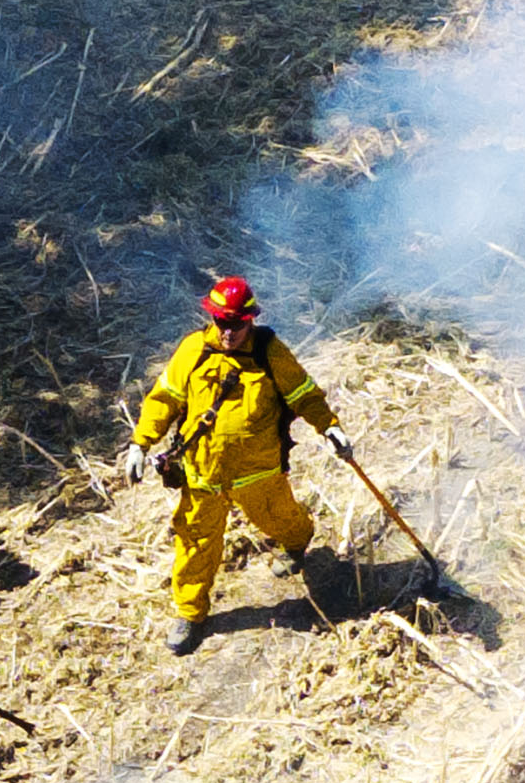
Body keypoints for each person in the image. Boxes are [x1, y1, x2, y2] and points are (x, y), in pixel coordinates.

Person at [120, 275, 353, 655]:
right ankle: (191, 614)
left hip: (258, 470)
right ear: (213, 318)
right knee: (195, 544)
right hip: (203, 473)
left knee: (281, 519)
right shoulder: (194, 350)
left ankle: (297, 544)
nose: (229, 332)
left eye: (237, 324)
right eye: (223, 323)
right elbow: (164, 400)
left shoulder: (269, 352)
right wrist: (140, 444)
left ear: (250, 320)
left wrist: (330, 427)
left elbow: (303, 395)